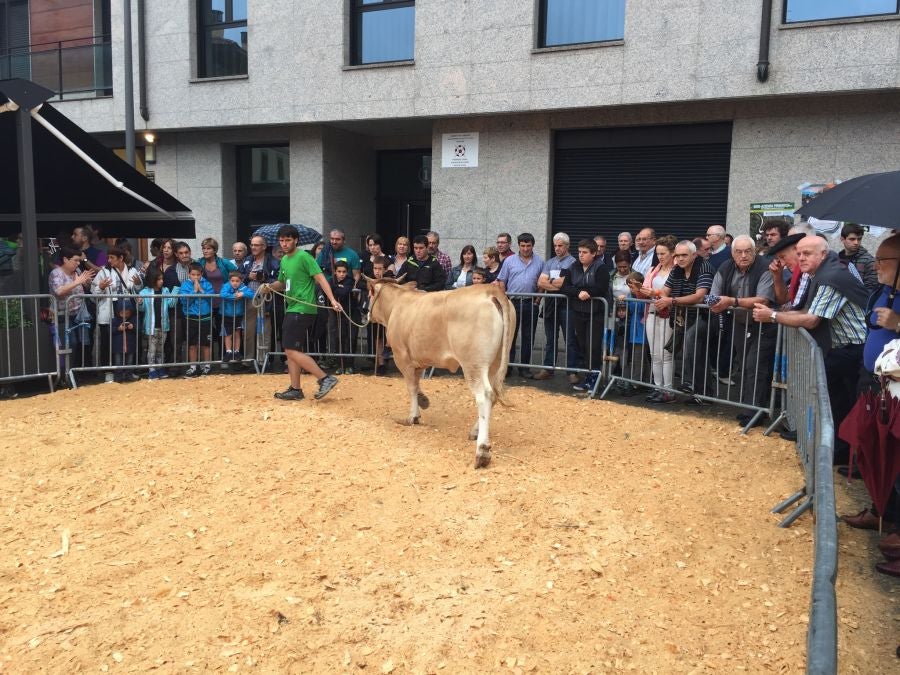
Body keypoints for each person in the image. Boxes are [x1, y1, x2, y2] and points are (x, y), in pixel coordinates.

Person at [752, 236, 868, 465]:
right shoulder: (820, 275)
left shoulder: (830, 277)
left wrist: (773, 316)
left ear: (823, 255)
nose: (801, 258)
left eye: (807, 253)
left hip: (853, 351)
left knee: (849, 405)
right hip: (842, 349)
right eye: (800, 253)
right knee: (837, 403)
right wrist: (775, 313)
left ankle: (848, 456)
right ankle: (840, 452)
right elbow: (804, 310)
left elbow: (812, 320)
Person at [839, 234, 900, 539]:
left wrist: (899, 324)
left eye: (883, 260)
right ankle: (882, 514)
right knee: (877, 452)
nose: (875, 265)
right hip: (876, 384)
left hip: (896, 392)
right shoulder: (884, 290)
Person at [260, 224, 342, 400]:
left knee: (290, 350)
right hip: (293, 308)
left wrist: (333, 300)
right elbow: (282, 283)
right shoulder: (284, 260)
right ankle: (296, 389)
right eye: (281, 240)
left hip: (302, 308)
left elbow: (320, 277)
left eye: (287, 240)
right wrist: (268, 287)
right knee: (291, 349)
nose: (284, 243)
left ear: (295, 240)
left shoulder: (304, 256)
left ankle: (325, 378)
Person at [709, 235, 777, 419]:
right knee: (746, 365)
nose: (744, 255)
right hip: (740, 323)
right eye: (739, 252)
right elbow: (713, 294)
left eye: (748, 251)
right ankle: (750, 407)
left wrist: (732, 301)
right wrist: (713, 303)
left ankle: (754, 412)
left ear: (754, 252)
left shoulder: (764, 268)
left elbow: (763, 299)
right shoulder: (726, 267)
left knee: (755, 366)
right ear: (732, 253)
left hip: (764, 325)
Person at [660, 240, 714, 401]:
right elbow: (664, 291)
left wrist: (671, 301)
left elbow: (700, 296)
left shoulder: (704, 267)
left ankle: (701, 391)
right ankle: (696, 390)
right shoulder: (677, 269)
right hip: (685, 316)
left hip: (705, 315)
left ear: (694, 255)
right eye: (678, 255)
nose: (680, 259)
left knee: (693, 348)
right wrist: (659, 295)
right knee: (690, 350)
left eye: (685, 255)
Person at [560, 239, 609, 392]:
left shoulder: (601, 267)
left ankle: (594, 379)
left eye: (585, 252)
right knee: (582, 346)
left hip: (596, 313)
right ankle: (587, 378)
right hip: (578, 312)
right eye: (579, 252)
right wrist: (577, 292)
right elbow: (565, 287)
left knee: (593, 346)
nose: (581, 255)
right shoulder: (573, 266)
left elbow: (601, 287)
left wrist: (588, 292)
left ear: (593, 254)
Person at [91, 246, 143, 383]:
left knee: (129, 341)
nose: (109, 260)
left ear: (121, 258)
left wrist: (138, 285)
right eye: (108, 257)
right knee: (108, 342)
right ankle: (109, 371)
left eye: (112, 258)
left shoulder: (132, 270)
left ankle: (129, 371)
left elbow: (137, 290)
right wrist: (101, 287)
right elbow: (93, 292)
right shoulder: (104, 271)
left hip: (128, 310)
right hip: (110, 308)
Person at [495, 232, 544, 378]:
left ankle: (524, 368)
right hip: (512, 303)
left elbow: (542, 283)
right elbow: (502, 281)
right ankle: (507, 367)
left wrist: (537, 301)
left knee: (528, 337)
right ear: (518, 246)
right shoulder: (509, 261)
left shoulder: (540, 262)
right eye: (523, 245)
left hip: (530, 304)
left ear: (533, 245)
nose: (525, 249)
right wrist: (504, 301)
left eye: (528, 245)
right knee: (510, 336)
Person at [534, 233, 579, 382]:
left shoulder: (574, 263)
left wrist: (553, 283)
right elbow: (541, 282)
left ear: (567, 246)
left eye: (560, 245)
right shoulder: (550, 262)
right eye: (555, 245)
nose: (557, 248)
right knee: (550, 339)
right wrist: (558, 285)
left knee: (570, 339)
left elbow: (564, 283)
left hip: (568, 306)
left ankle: (572, 371)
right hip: (550, 306)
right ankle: (548, 369)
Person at [637, 235, 677, 403]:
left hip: (668, 314)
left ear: (672, 253)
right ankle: (657, 386)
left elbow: (674, 292)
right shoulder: (654, 269)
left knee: (666, 354)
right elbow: (644, 290)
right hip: (652, 313)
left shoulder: (677, 270)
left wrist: (654, 293)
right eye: (659, 253)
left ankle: (668, 390)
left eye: (664, 253)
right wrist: (638, 290)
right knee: (654, 354)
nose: (660, 257)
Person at [49, 246, 95, 370]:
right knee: (70, 344)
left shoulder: (78, 272)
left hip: (79, 314)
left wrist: (87, 282)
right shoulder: (56, 273)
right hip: (62, 316)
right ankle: (67, 373)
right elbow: (59, 291)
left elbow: (84, 286)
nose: (78, 263)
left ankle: (75, 372)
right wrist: (78, 282)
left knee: (82, 343)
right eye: (75, 260)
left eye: (79, 261)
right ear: (65, 259)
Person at [239, 235, 280, 364]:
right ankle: (248, 360)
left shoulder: (273, 261)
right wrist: (247, 276)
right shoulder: (247, 260)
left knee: (264, 331)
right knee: (248, 331)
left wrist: (265, 279)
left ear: (264, 247)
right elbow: (236, 277)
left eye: (256, 245)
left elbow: (279, 280)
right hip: (249, 299)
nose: (253, 247)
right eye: (252, 245)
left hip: (266, 299)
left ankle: (263, 361)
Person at [198, 237, 237, 355]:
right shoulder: (200, 263)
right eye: (203, 248)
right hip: (206, 303)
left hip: (222, 303)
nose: (205, 251)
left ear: (214, 250)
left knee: (223, 331)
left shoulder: (224, 263)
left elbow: (238, 275)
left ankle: (223, 357)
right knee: (207, 331)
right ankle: (208, 360)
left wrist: (232, 289)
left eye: (208, 248)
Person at [138, 267, 176, 380]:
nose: (162, 281)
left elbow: (171, 304)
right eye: (159, 279)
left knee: (161, 349)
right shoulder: (144, 292)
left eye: (162, 279)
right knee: (152, 350)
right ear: (152, 279)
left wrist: (175, 291)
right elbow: (142, 309)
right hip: (151, 327)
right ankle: (152, 370)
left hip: (163, 326)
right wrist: (139, 303)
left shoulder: (165, 291)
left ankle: (160, 368)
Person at [179, 263, 215, 377]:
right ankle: (193, 367)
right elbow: (184, 301)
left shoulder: (207, 284)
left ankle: (207, 366)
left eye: (198, 275)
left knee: (206, 343)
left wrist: (202, 291)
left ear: (202, 274)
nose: (195, 277)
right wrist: (194, 292)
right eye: (193, 274)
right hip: (191, 317)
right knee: (192, 344)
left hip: (205, 317)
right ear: (189, 274)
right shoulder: (185, 285)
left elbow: (212, 299)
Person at [328, 261, 362, 373]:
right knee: (338, 339)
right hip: (337, 314)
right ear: (335, 271)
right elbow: (327, 290)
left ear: (347, 272)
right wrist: (337, 287)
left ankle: (350, 365)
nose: (341, 274)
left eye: (344, 272)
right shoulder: (330, 280)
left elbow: (343, 292)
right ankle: (340, 365)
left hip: (351, 313)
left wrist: (335, 288)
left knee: (351, 339)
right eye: (339, 271)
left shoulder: (350, 280)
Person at [220, 269, 254, 366]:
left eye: (237, 281)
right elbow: (223, 294)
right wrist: (235, 296)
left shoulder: (243, 287)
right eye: (232, 281)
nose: (235, 283)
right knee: (227, 335)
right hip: (227, 315)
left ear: (241, 281)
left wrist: (243, 294)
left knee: (237, 334)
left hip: (238, 315)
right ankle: (228, 351)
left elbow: (252, 294)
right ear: (229, 280)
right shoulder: (226, 286)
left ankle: (237, 351)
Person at [839, 223, 879, 294]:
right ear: (842, 239)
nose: (856, 242)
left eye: (859, 239)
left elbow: (871, 290)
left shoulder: (869, 261)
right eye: (852, 239)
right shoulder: (837, 259)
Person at [110, 296, 139, 382]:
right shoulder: (114, 320)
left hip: (130, 345)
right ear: (119, 312)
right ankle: (118, 376)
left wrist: (132, 327)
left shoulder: (133, 319)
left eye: (127, 313)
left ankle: (129, 375)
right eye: (123, 313)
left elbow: (138, 329)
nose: (125, 315)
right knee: (118, 362)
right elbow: (110, 330)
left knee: (129, 361)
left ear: (130, 312)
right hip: (118, 346)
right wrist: (118, 329)